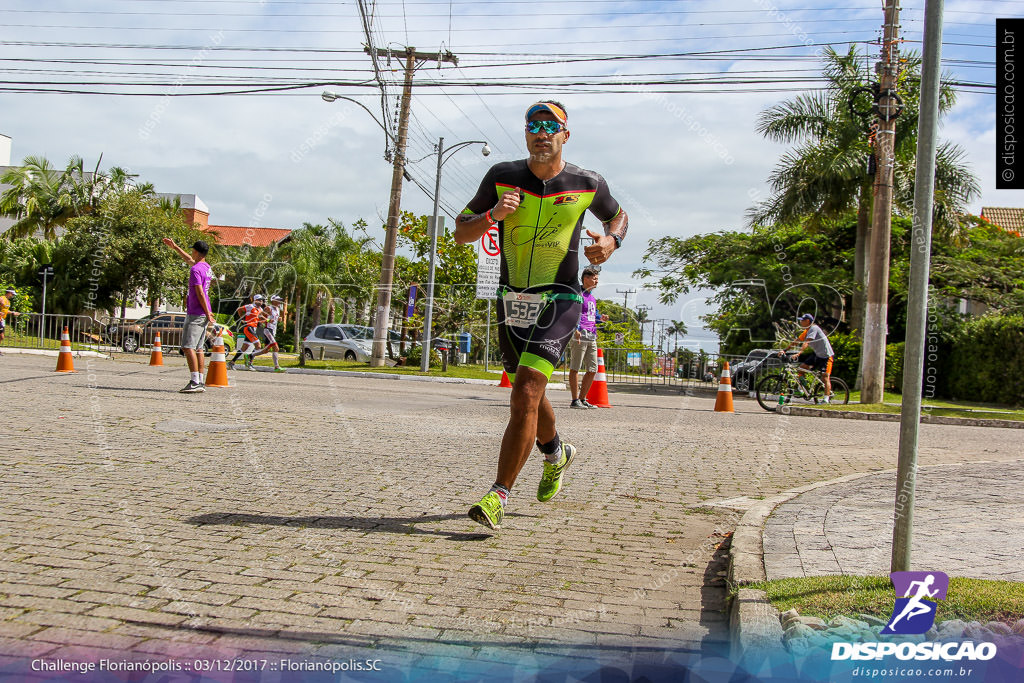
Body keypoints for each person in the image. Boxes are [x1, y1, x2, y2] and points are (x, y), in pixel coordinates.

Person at [454, 100, 628, 530]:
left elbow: (619, 216)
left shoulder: (587, 182)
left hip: (561, 299)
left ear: (565, 135)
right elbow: (460, 230)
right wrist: (492, 215)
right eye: (534, 125)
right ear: (526, 133)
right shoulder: (502, 176)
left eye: (552, 126)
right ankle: (556, 452)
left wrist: (611, 242)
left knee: (528, 388)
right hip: (511, 299)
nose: (542, 132)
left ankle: (498, 495)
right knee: (527, 391)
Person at [162, 238, 215, 393]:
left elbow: (199, 291)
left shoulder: (195, 270)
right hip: (204, 312)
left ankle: (194, 381)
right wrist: (176, 247)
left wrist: (205, 312)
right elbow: (189, 260)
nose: (191, 253)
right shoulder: (206, 267)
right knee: (199, 348)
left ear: (197, 252)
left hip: (196, 312)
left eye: (193, 250)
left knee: (187, 346)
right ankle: (200, 380)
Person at [568, 265, 601, 409]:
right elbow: (571, 312)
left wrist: (601, 318)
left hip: (592, 335)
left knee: (593, 369)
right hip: (580, 334)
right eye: (594, 278)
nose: (596, 281)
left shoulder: (592, 298)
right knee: (575, 367)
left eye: (597, 279)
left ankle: (583, 398)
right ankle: (574, 400)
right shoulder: (578, 294)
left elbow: (594, 316)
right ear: (585, 279)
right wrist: (575, 328)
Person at [782, 313, 835, 402]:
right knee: (801, 369)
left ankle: (826, 399)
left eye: (802, 320)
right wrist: (785, 350)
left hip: (826, 356)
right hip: (817, 355)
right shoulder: (807, 331)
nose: (800, 322)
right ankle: (803, 388)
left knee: (825, 377)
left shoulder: (814, 328)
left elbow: (807, 342)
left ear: (807, 321)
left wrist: (799, 353)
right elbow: (797, 341)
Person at [229, 294, 266, 370]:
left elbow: (260, 317)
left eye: (262, 300)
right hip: (249, 327)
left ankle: (231, 362)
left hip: (254, 328)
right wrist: (242, 319)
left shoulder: (260, 309)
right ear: (255, 300)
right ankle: (249, 362)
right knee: (258, 346)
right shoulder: (250, 306)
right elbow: (239, 309)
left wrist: (265, 321)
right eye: (260, 300)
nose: (261, 301)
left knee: (244, 347)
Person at [251, 295, 286, 372]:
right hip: (267, 330)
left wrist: (279, 319)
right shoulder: (268, 308)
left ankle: (250, 356)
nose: (280, 302)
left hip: (273, 330)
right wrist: (267, 320)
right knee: (276, 347)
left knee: (266, 350)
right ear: (273, 301)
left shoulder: (277, 309)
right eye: (278, 300)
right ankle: (276, 367)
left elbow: (275, 318)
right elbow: (259, 316)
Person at [0, 288, 23, 355]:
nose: (12, 296)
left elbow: (5, 311)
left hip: (2, 320)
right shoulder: (1, 298)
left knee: (1, 336)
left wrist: (13, 313)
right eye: (12, 294)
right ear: (9, 292)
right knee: (1, 336)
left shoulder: (8, 301)